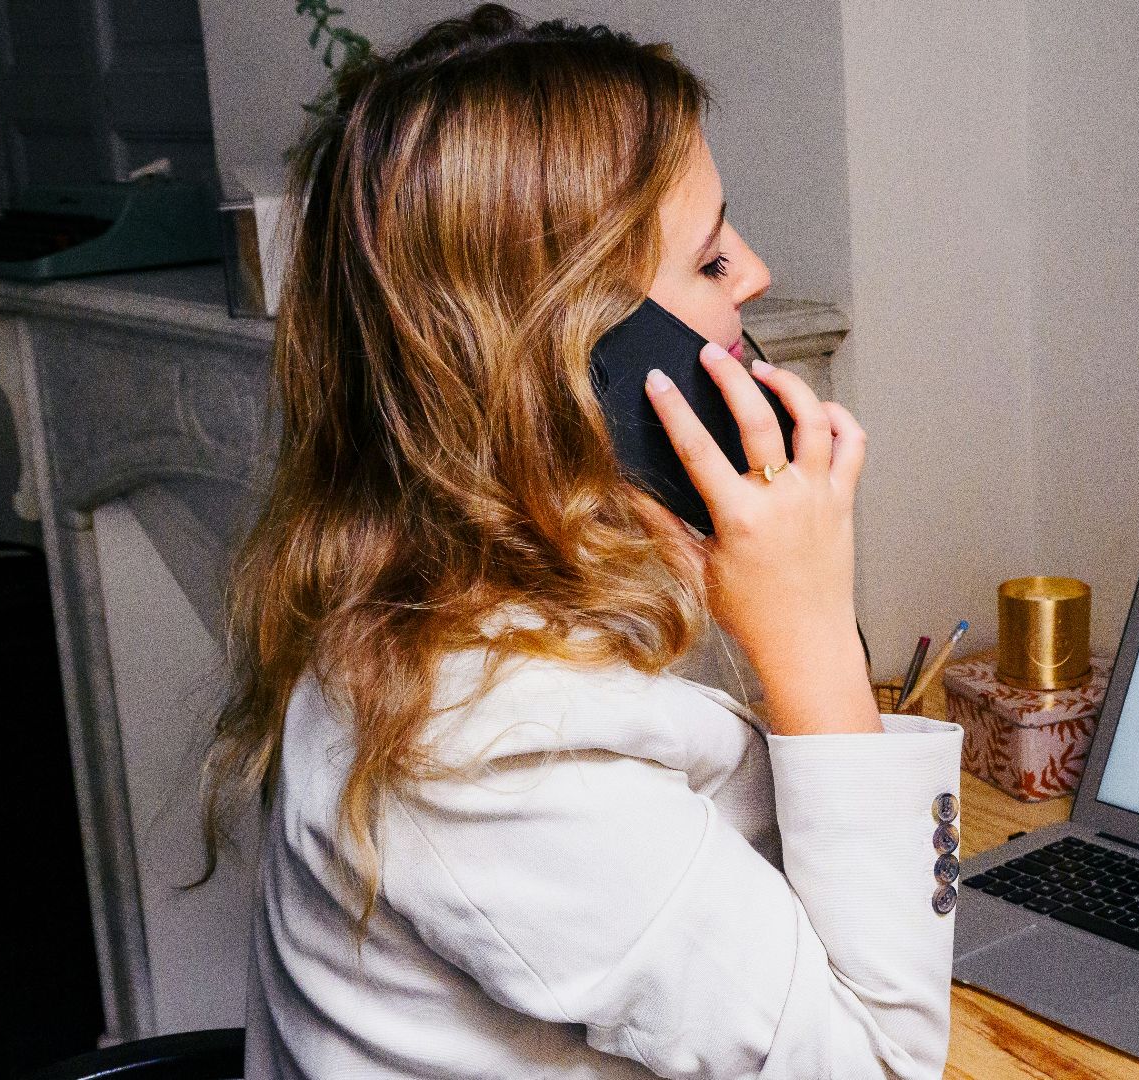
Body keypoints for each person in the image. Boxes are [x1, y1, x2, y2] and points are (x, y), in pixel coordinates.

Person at [197, 6, 965, 1078]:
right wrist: (812, 641)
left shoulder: (444, 591)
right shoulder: (484, 751)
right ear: (571, 355)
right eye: (708, 261)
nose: (755, 272)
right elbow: (879, 1068)